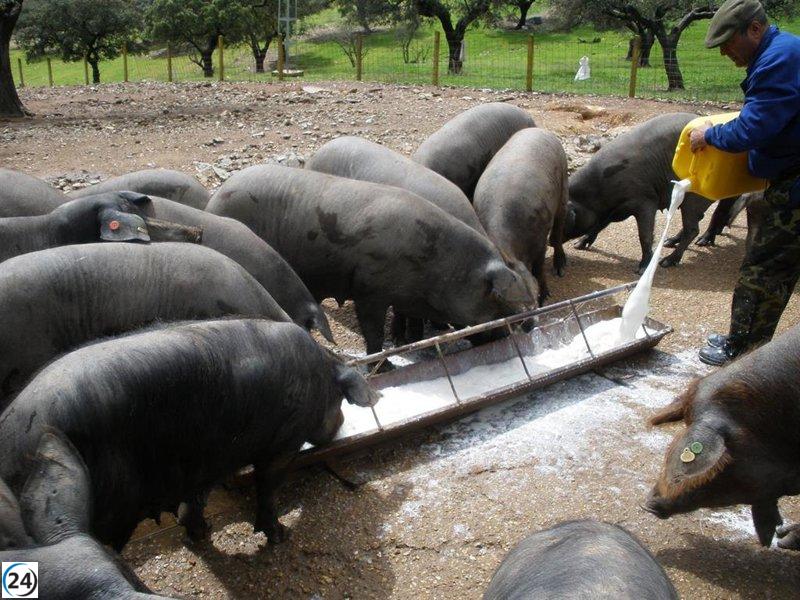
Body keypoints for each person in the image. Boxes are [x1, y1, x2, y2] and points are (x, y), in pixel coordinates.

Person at [689, 0, 800, 366]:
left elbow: (754, 127)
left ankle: (742, 348)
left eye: (727, 42)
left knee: (765, 267)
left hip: (795, 183)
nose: (724, 51)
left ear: (754, 29)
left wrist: (710, 133)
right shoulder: (787, 50)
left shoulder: (776, 61)